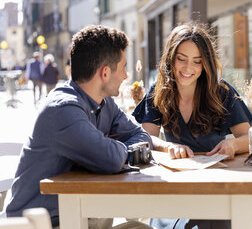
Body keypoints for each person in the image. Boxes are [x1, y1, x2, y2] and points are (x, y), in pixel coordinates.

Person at [5, 25, 153, 229]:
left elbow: (140, 135)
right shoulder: (62, 110)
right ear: (105, 72)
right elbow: (110, 159)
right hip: (42, 224)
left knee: (139, 227)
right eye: (123, 67)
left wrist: (116, 150)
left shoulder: (104, 102)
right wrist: (118, 151)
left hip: (81, 217)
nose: (126, 76)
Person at [133, 22, 252, 229]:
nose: (188, 69)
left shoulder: (221, 91)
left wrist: (233, 146)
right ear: (171, 58)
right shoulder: (158, 91)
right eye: (181, 59)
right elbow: (145, 138)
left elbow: (251, 138)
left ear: (205, 64)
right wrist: (168, 146)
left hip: (215, 189)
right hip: (174, 189)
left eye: (197, 62)